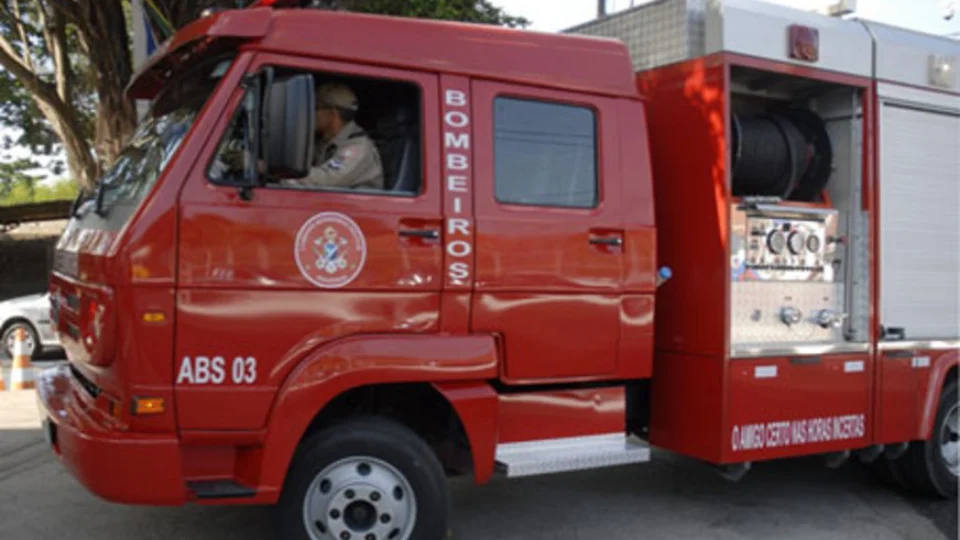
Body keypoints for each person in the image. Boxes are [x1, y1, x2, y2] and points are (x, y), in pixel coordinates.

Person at [280, 82, 384, 191]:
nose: (310, 114)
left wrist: (281, 173)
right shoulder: (325, 142)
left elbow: (326, 180)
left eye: (316, 108)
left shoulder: (358, 148)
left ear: (333, 114)